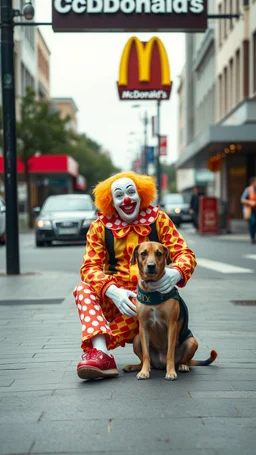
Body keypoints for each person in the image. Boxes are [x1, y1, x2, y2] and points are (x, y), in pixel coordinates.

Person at [73, 171, 197, 380]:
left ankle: (158, 359)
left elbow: (184, 253)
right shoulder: (100, 227)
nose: (127, 199)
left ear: (141, 194)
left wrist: (175, 273)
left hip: (150, 300)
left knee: (149, 314)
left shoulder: (158, 220)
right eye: (119, 195)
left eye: (131, 192)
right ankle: (101, 353)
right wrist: (113, 292)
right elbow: (89, 267)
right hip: (117, 304)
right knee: (82, 289)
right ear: (111, 201)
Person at [240, 176, 256, 244]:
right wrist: (250, 202)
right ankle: (252, 237)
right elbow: (242, 199)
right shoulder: (248, 190)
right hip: (251, 210)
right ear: (253, 182)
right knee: (253, 223)